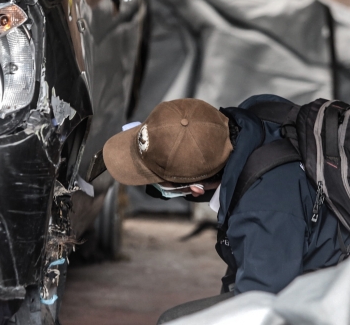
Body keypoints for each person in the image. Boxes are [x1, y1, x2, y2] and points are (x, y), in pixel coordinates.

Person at [102, 95, 350, 323]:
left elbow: (259, 310)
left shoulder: (262, 213)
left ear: (196, 188)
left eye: (155, 179)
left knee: (172, 320)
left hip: (333, 291)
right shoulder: (252, 122)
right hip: (296, 257)